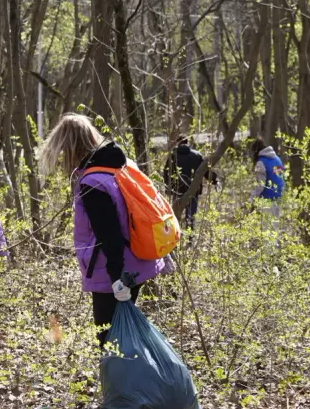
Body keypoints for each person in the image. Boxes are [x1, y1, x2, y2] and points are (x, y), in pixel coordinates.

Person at [39, 114, 166, 347]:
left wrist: (116, 278)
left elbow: (109, 234)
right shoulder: (122, 166)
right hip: (138, 260)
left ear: (72, 148)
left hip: (114, 272)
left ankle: (125, 382)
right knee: (125, 335)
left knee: (109, 340)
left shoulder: (93, 183)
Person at [163, 136, 215, 228]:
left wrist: (168, 189)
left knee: (175, 215)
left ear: (177, 143)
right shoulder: (197, 155)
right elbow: (205, 171)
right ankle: (190, 239)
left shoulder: (173, 156)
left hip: (177, 190)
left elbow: (167, 172)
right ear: (188, 143)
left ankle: (175, 236)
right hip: (192, 190)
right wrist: (214, 180)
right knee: (190, 217)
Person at [248, 137, 285, 216]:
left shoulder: (260, 163)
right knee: (275, 226)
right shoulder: (277, 159)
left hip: (267, 201)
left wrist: (251, 200)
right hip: (279, 197)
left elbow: (260, 185)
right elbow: (280, 178)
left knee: (267, 227)